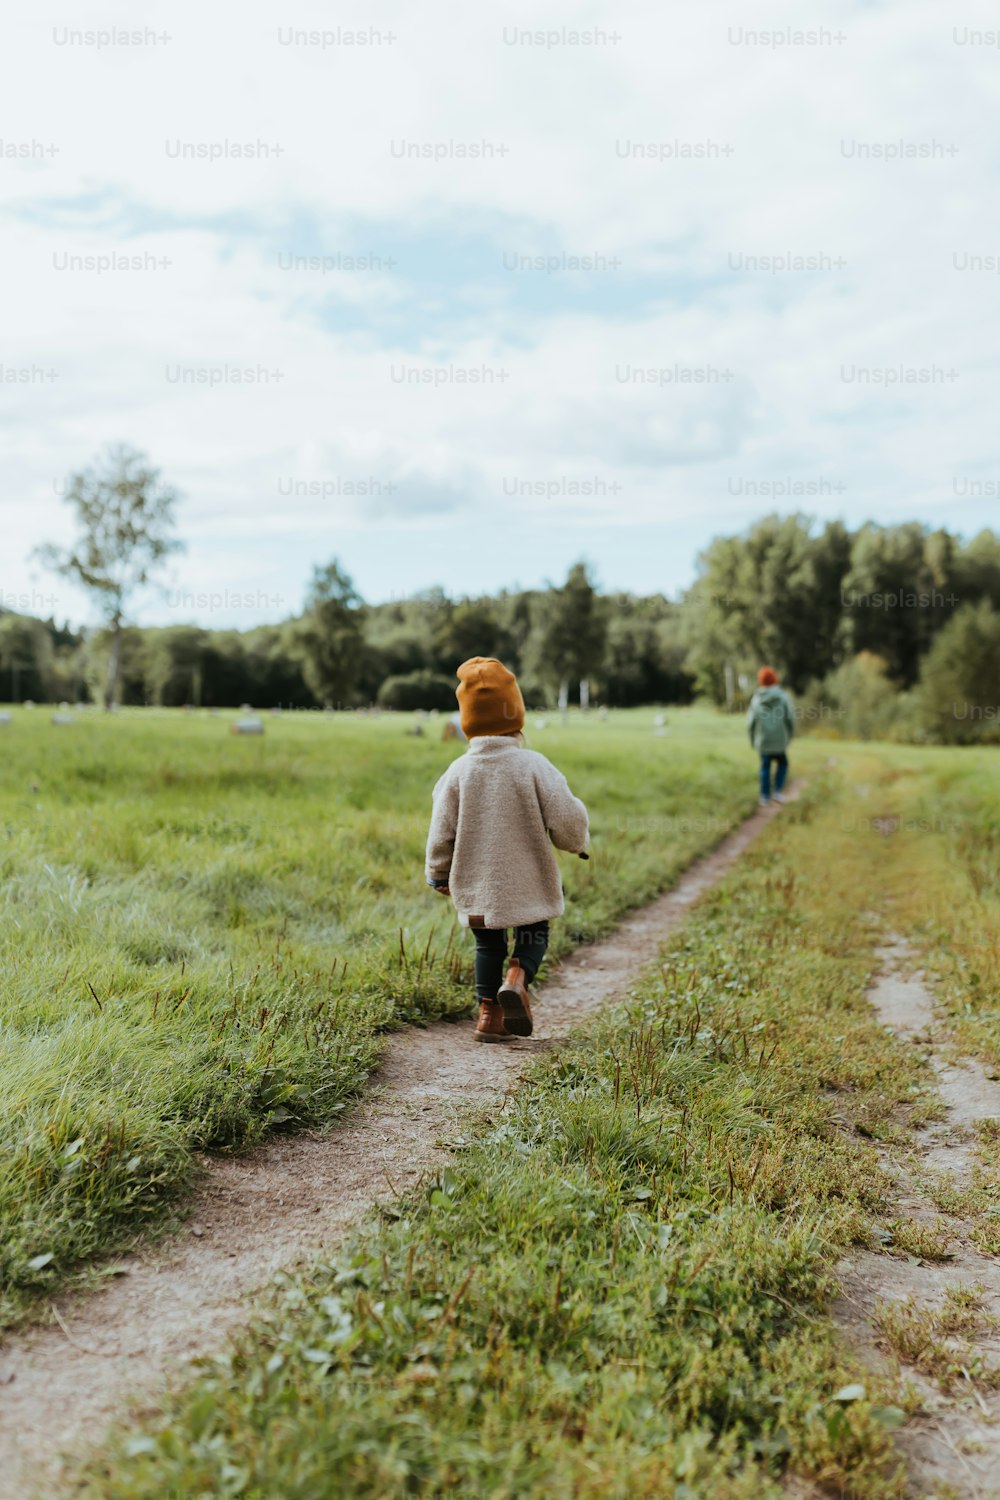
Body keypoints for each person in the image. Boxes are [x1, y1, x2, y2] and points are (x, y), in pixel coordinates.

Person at [425, 657, 590, 1043]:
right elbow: (566, 815)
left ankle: (488, 1017)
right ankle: (517, 977)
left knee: (487, 944)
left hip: (477, 882)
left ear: (467, 721)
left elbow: (440, 831)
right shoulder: (534, 765)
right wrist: (576, 843)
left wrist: (438, 872)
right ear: (517, 712)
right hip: (529, 877)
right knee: (534, 931)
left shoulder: (457, 773)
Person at [747, 666, 795, 807]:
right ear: (774, 679)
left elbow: (750, 722)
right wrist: (790, 735)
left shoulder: (756, 699)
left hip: (763, 740)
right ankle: (778, 791)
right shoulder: (783, 697)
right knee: (783, 763)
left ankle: (764, 796)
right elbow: (790, 718)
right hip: (780, 739)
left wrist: (752, 739)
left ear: (761, 681)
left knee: (765, 767)